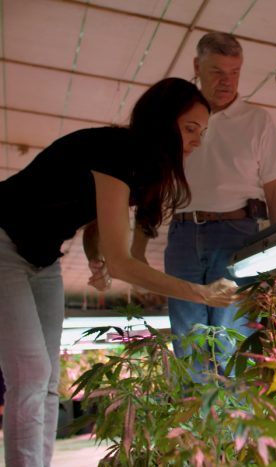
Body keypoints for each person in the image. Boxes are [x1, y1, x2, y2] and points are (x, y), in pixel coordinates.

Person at [0, 77, 240, 467]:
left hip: (42, 258)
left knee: (44, 383)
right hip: (2, 241)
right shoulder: (116, 151)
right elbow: (124, 262)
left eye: (202, 132)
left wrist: (96, 257)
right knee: (29, 374)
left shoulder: (139, 168)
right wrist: (201, 293)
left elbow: (97, 227)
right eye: (190, 128)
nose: (197, 140)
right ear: (163, 122)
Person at [138, 32, 276, 383]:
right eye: (217, 70)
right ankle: (198, 432)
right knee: (189, 340)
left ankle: (236, 431)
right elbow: (151, 185)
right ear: (197, 67)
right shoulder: (177, 119)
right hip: (182, 234)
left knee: (232, 339)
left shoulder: (257, 120)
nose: (227, 81)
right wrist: (137, 248)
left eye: (234, 72)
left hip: (237, 236)